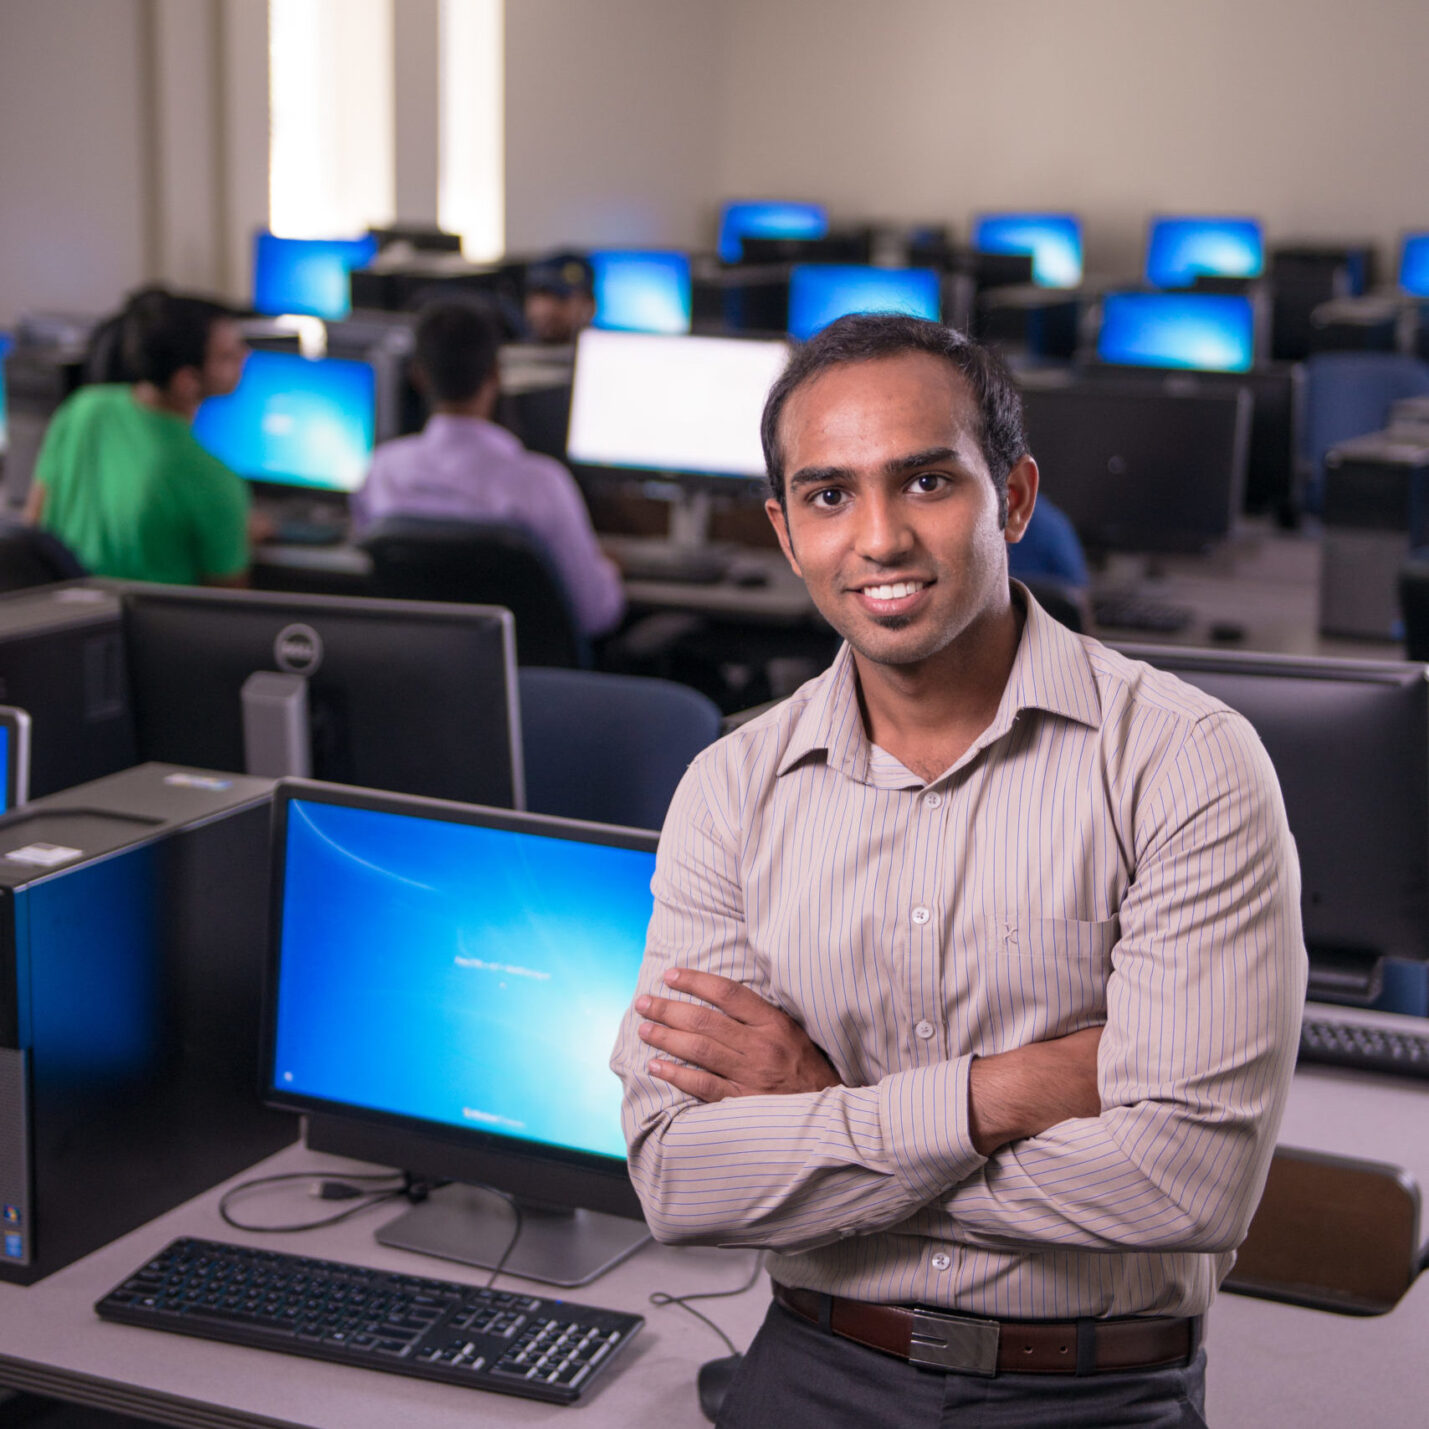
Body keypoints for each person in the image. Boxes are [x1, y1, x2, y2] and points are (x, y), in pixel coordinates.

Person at [611, 314, 1306, 1427]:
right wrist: (1012, 1093)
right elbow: (682, 1178)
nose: (878, 537)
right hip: (811, 1366)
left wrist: (820, 1120)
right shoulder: (730, 788)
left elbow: (1185, 1182)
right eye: (830, 495)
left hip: (1092, 1388)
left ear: (1014, 498)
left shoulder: (1182, 762)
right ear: (787, 533)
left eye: (925, 481)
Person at [350, 298, 624, 638]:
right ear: (496, 373)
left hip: (427, 671)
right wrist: (606, 570)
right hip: (536, 680)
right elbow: (595, 615)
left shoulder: (382, 471)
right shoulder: (541, 483)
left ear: (418, 376)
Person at [26, 287, 253, 586]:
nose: (245, 355)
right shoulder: (213, 480)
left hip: (62, 615)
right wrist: (236, 534)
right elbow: (228, 604)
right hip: (147, 630)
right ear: (187, 381)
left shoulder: (84, 407)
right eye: (228, 356)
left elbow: (33, 524)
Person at [522, 251, 596, 345]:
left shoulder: (610, 352)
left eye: (561, 299)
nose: (545, 309)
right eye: (538, 297)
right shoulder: (511, 353)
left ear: (590, 305)